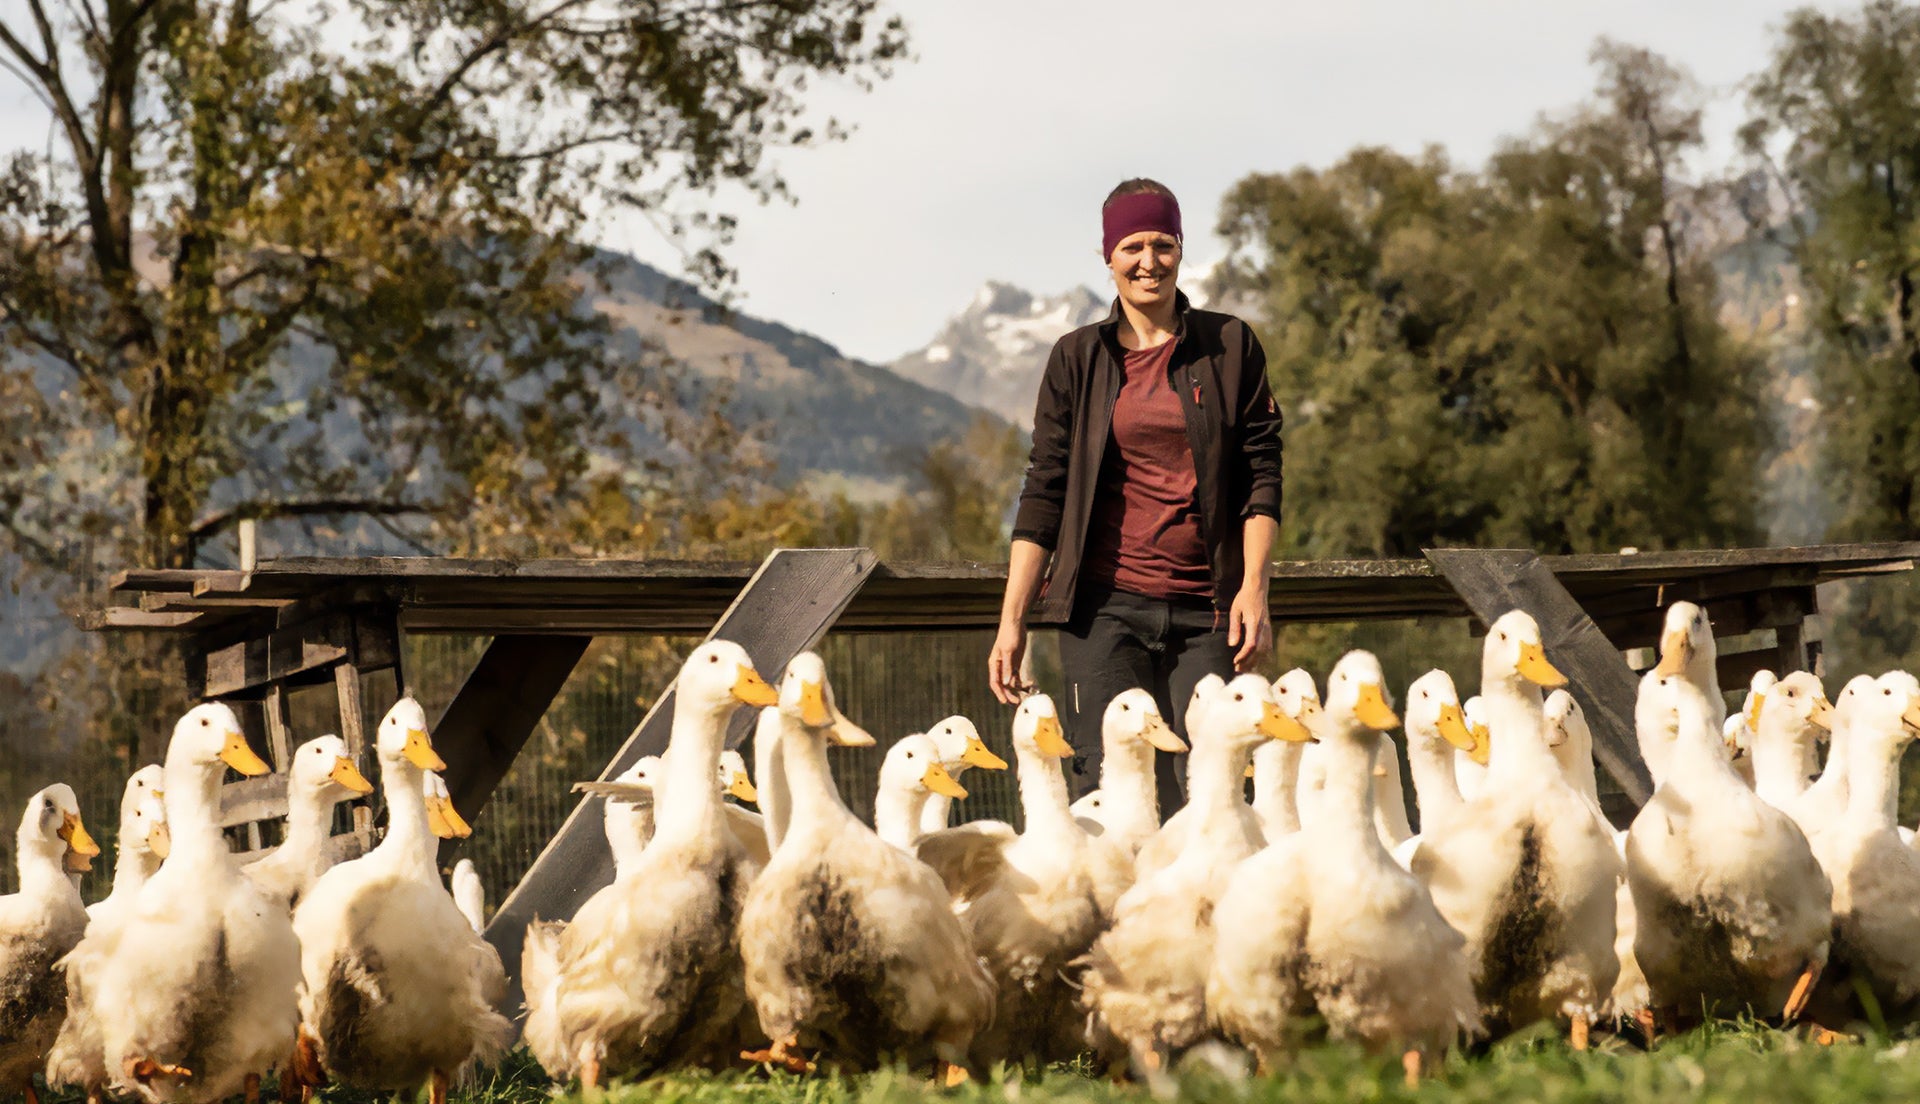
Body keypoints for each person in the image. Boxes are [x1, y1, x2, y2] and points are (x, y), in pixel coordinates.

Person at [987, 178, 1282, 812]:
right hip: (1102, 613)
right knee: (1109, 795)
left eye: (1162, 244)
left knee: (1207, 797)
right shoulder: (1077, 359)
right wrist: (1013, 621)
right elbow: (1044, 489)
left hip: (1207, 612)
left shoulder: (1230, 346)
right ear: (1108, 256)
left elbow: (1262, 473)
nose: (1149, 261)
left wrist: (1253, 587)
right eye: (1132, 246)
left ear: (1180, 247)